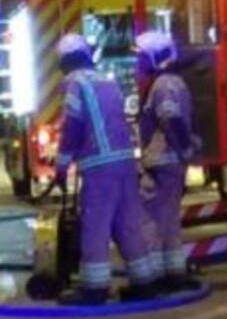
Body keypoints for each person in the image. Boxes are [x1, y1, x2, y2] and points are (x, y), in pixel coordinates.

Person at [54, 34, 158, 304]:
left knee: (95, 226)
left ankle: (94, 288)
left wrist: (62, 164)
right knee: (127, 224)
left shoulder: (76, 84)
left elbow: (73, 126)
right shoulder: (107, 81)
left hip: (100, 168)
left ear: (65, 62)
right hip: (125, 163)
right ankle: (144, 283)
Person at [136, 30, 202, 292]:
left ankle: (155, 278)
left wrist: (184, 147)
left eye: (141, 57)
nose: (137, 64)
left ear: (155, 57)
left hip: (163, 161)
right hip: (168, 161)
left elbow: (170, 117)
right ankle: (174, 272)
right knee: (168, 219)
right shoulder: (172, 82)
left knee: (151, 220)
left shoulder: (163, 85)